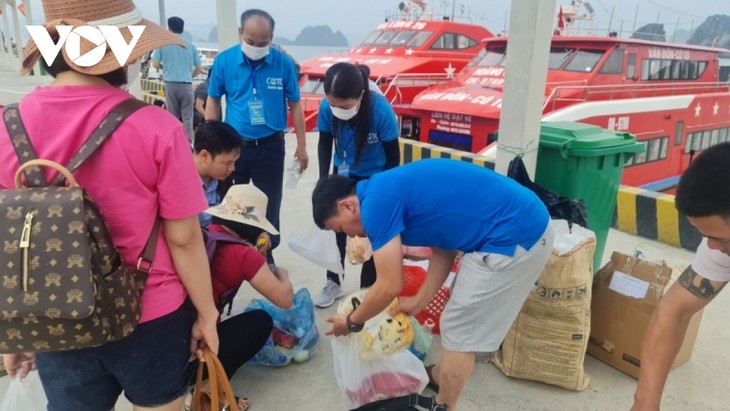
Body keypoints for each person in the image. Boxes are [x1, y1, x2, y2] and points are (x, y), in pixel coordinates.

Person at [0, 1, 219, 410]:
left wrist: (18, 333)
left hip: (59, 315)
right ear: (122, 52)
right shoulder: (158, 127)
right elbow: (185, 240)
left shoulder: (5, 125)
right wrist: (207, 316)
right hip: (151, 314)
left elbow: (11, 246)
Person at [313, 158, 555, 411]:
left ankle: (445, 406)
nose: (352, 236)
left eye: (342, 229)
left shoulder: (374, 205)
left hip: (515, 235)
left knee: (459, 330)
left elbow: (388, 285)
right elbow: (445, 246)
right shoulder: (381, 190)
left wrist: (352, 322)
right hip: (523, 222)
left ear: (347, 206)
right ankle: (441, 377)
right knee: (458, 321)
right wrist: (419, 300)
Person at [205, 8, 309, 266]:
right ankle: (228, 249)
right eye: (250, 42)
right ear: (241, 33)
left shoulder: (283, 63)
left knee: (269, 203)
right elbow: (213, 99)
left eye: (263, 43)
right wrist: (210, 141)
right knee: (230, 201)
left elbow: (295, 104)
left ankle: (267, 254)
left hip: (271, 145)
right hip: (234, 146)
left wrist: (302, 147)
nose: (256, 47)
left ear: (272, 38)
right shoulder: (225, 61)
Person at [631, 142, 730, 411]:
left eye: (719, 239)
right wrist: (645, 403)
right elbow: (673, 312)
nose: (712, 248)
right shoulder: (721, 246)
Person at [185, 184, 295, 411]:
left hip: (170, 340)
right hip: (194, 352)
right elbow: (284, 299)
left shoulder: (207, 232)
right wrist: (281, 273)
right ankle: (206, 386)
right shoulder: (243, 255)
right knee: (259, 322)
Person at [314, 62, 400, 308]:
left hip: (375, 176)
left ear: (360, 96)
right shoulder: (326, 107)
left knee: (371, 233)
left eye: (344, 106)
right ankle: (334, 280)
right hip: (342, 173)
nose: (337, 110)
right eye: (332, 105)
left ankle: (367, 291)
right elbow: (324, 142)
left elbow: (393, 156)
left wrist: (383, 194)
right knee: (337, 228)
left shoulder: (380, 110)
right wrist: (324, 180)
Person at [152, 16, 203, 145]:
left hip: (170, 84)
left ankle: (173, 142)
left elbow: (155, 64)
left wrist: (164, 67)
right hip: (186, 85)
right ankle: (188, 143)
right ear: (182, 28)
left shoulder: (163, 44)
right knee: (187, 117)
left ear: (169, 28)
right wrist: (190, 76)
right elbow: (199, 68)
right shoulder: (191, 46)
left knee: (172, 116)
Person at [193, 121, 243, 227]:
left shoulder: (223, 179)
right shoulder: (177, 181)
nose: (232, 168)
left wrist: (257, 234)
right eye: (227, 163)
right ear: (205, 156)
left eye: (234, 162)